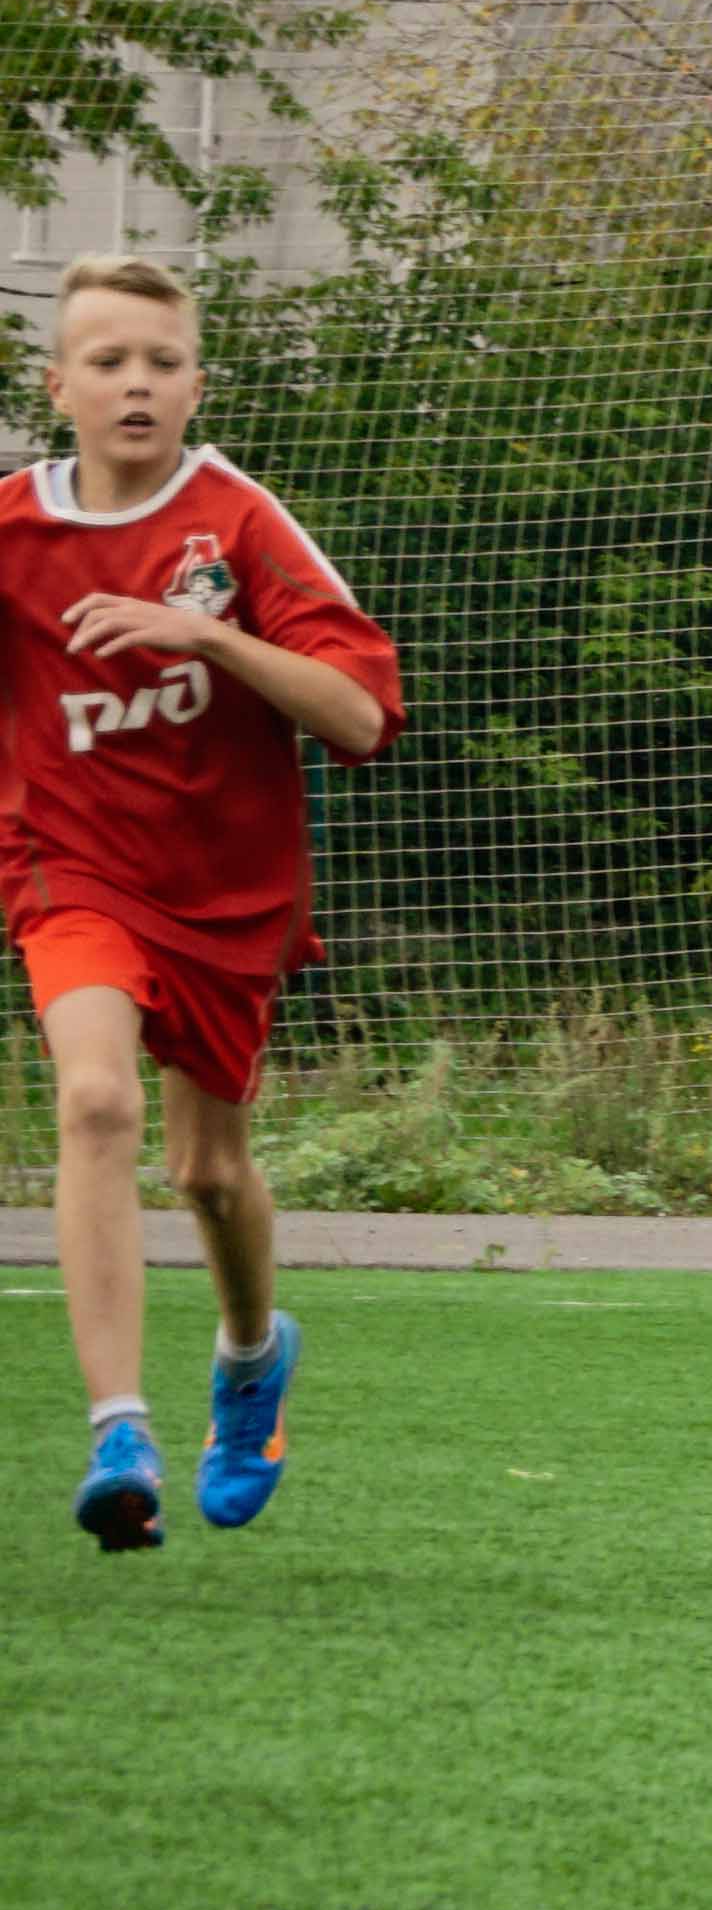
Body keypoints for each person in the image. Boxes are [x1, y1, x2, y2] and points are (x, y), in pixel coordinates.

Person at [2, 256, 403, 1549]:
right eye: (108, 361)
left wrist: (215, 640)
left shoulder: (236, 523)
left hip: (228, 895)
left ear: (196, 386)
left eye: (160, 363)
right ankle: (121, 1428)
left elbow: (361, 718)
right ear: (56, 384)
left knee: (209, 1172)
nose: (135, 383)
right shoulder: (12, 533)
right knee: (96, 1097)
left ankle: (247, 1359)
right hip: (73, 872)